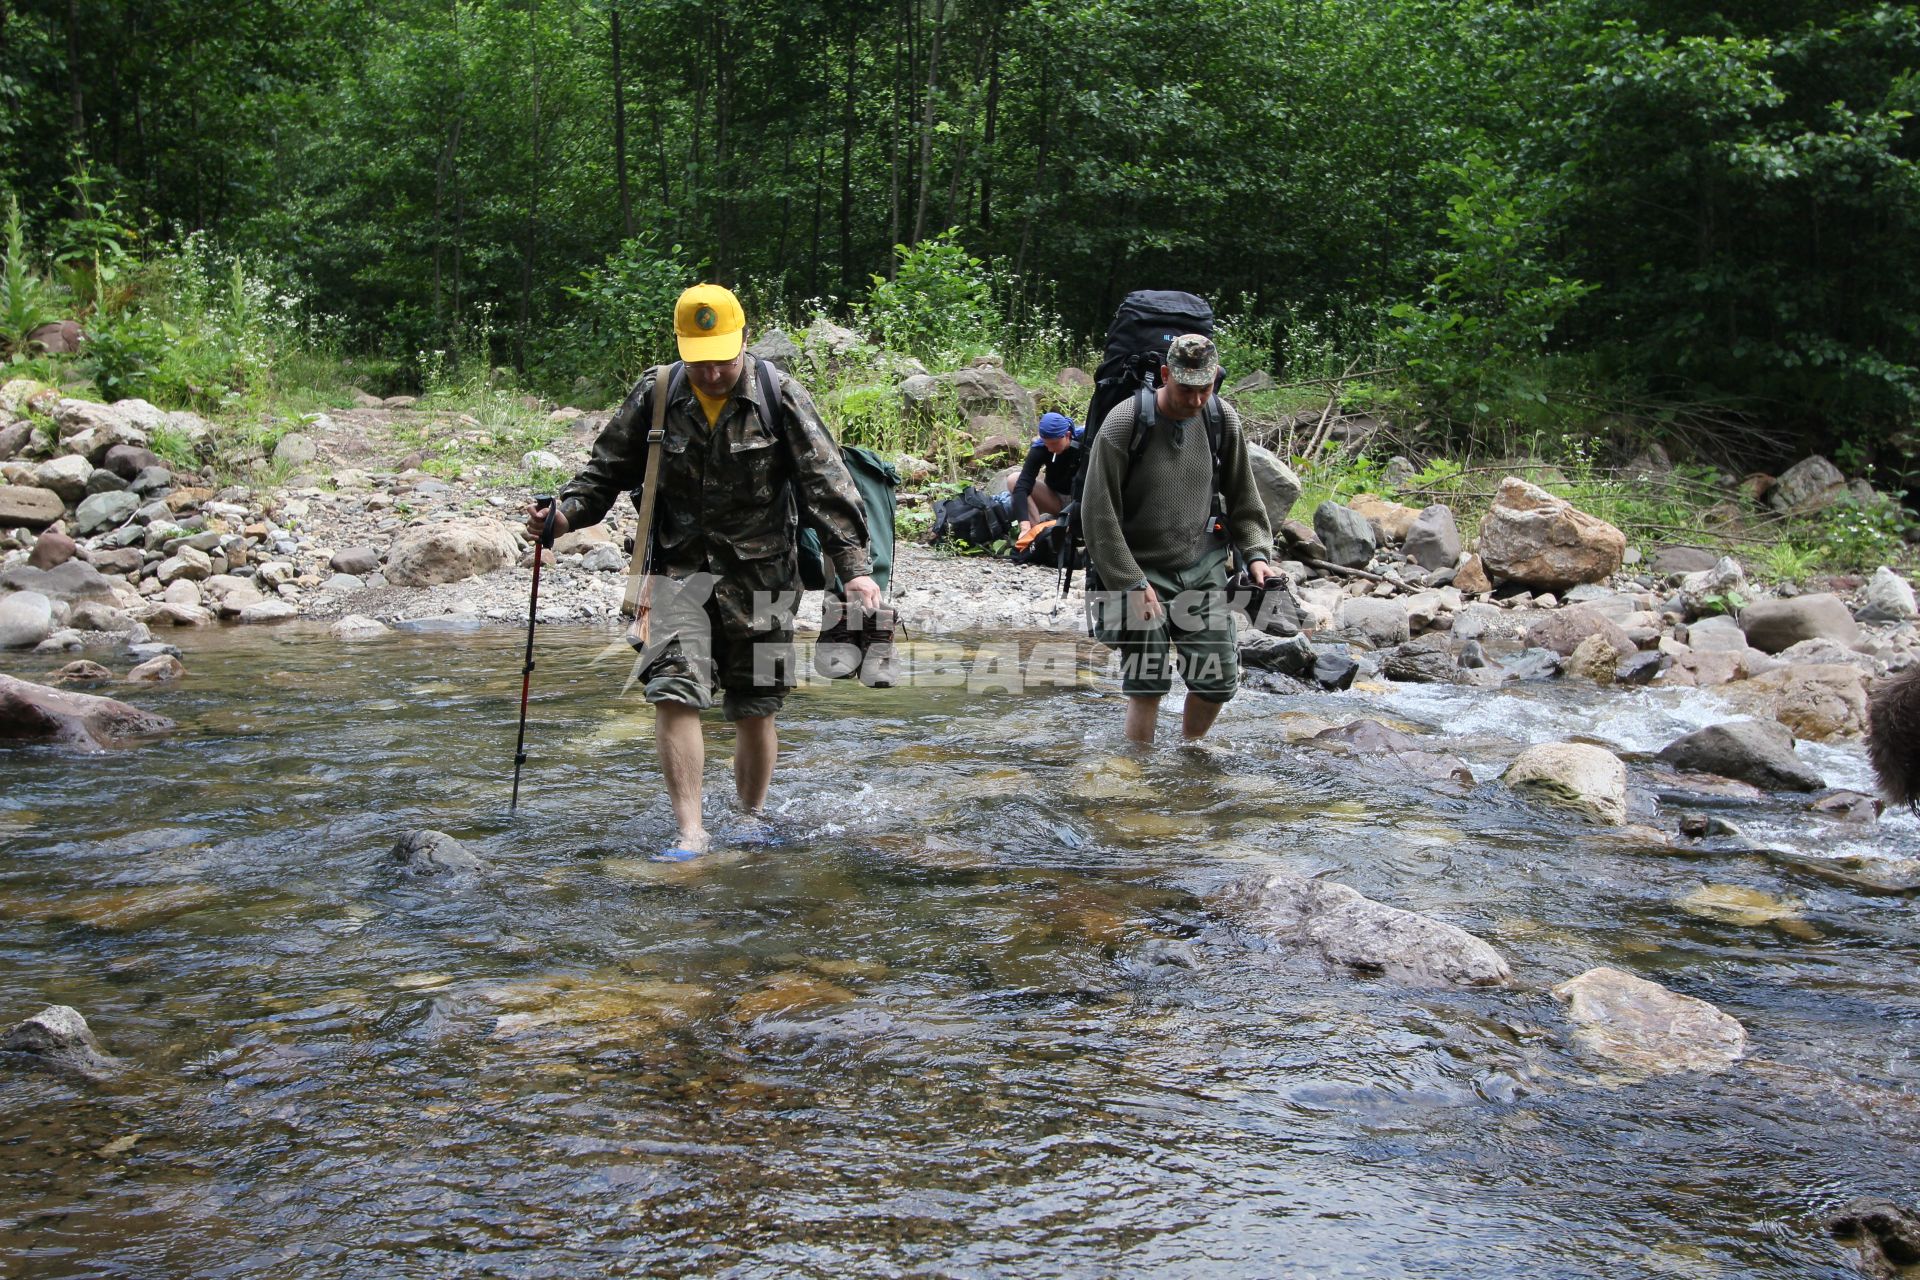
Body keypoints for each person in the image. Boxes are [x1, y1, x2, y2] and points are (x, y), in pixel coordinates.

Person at [526, 284, 880, 859]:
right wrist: (562, 516)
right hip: (674, 574)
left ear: (743, 339)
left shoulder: (779, 394)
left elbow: (826, 483)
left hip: (763, 580)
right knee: (674, 692)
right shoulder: (656, 394)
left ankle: (751, 816)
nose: (712, 373)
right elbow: (604, 472)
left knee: (756, 705)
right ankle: (690, 830)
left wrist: (855, 569)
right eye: (700, 361)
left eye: (722, 359)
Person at [1080, 333, 1276, 745]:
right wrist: (1131, 584)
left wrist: (1257, 554)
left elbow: (1244, 498)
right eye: (1186, 389)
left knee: (1218, 680)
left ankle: (1191, 756)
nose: (1196, 400)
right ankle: (1141, 777)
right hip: (1137, 570)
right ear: (1166, 375)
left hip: (1201, 566)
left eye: (1205, 389)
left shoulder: (1222, 420)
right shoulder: (1124, 422)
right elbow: (1098, 516)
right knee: (1147, 684)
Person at [1007, 411, 1082, 539]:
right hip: (1057, 499)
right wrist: (1024, 526)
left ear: (1067, 435)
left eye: (1054, 444)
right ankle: (1034, 533)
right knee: (1013, 479)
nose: (1050, 449)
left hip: (1084, 501)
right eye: (1047, 444)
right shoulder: (1040, 448)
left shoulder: (1085, 439)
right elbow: (1022, 485)